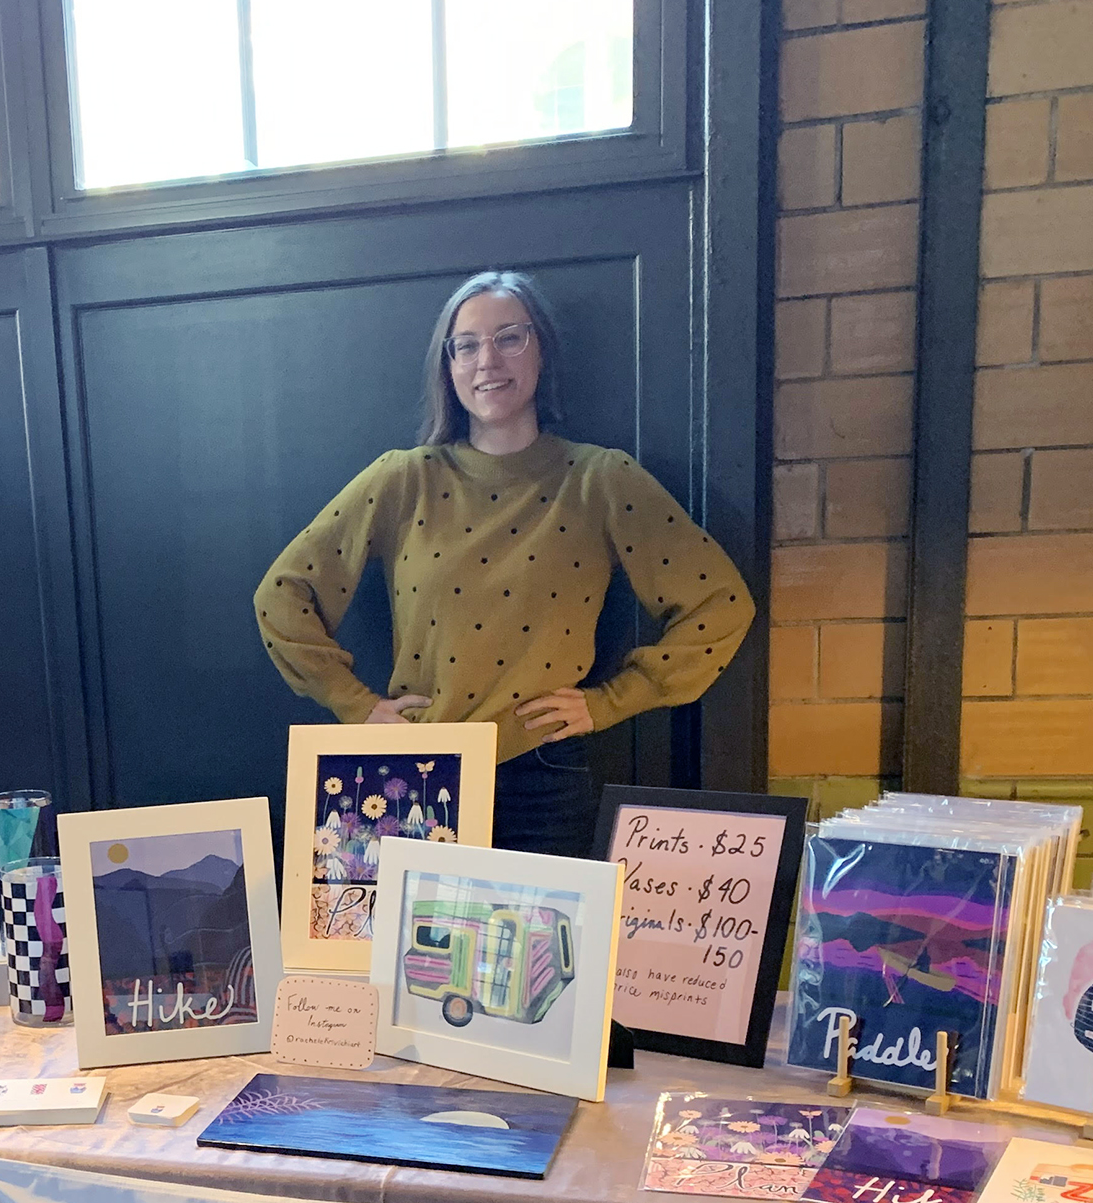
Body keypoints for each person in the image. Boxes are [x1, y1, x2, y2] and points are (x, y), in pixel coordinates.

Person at [252, 270, 756, 856]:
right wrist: (357, 706)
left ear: (542, 350)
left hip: (542, 783)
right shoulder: (403, 478)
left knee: (543, 950)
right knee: (406, 951)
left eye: (509, 337)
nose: (487, 359)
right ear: (448, 366)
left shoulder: (600, 479)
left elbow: (719, 602)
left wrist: (613, 701)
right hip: (413, 773)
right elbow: (283, 594)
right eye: (466, 345)